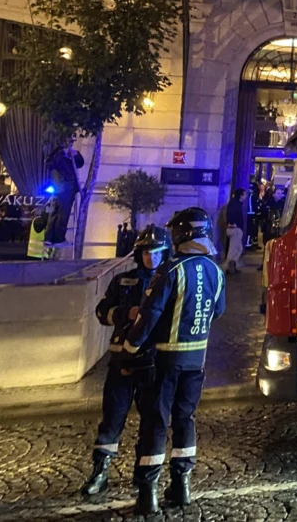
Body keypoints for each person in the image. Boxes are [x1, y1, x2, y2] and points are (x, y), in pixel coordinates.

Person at [125, 208, 225, 514]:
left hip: (164, 361)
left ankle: (148, 495)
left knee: (155, 423)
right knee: (185, 420)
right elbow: (217, 311)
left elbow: (150, 313)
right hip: (197, 361)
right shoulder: (215, 271)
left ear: (182, 234)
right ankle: (181, 487)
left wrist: (131, 345)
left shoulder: (170, 270)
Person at [81, 225, 170, 498]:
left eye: (156, 253)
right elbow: (101, 312)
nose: (151, 258)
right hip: (120, 362)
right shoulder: (123, 280)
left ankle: (143, 476)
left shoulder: (169, 282)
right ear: (139, 253)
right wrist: (125, 313)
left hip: (152, 364)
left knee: (151, 422)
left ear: (164, 254)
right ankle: (100, 472)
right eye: (146, 252)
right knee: (111, 419)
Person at [221, 188, 247, 274]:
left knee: (238, 249)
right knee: (233, 250)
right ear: (241, 196)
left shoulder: (235, 203)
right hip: (234, 229)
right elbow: (231, 214)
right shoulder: (235, 204)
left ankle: (233, 264)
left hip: (235, 229)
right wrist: (232, 223)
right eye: (244, 194)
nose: (245, 196)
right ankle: (226, 266)